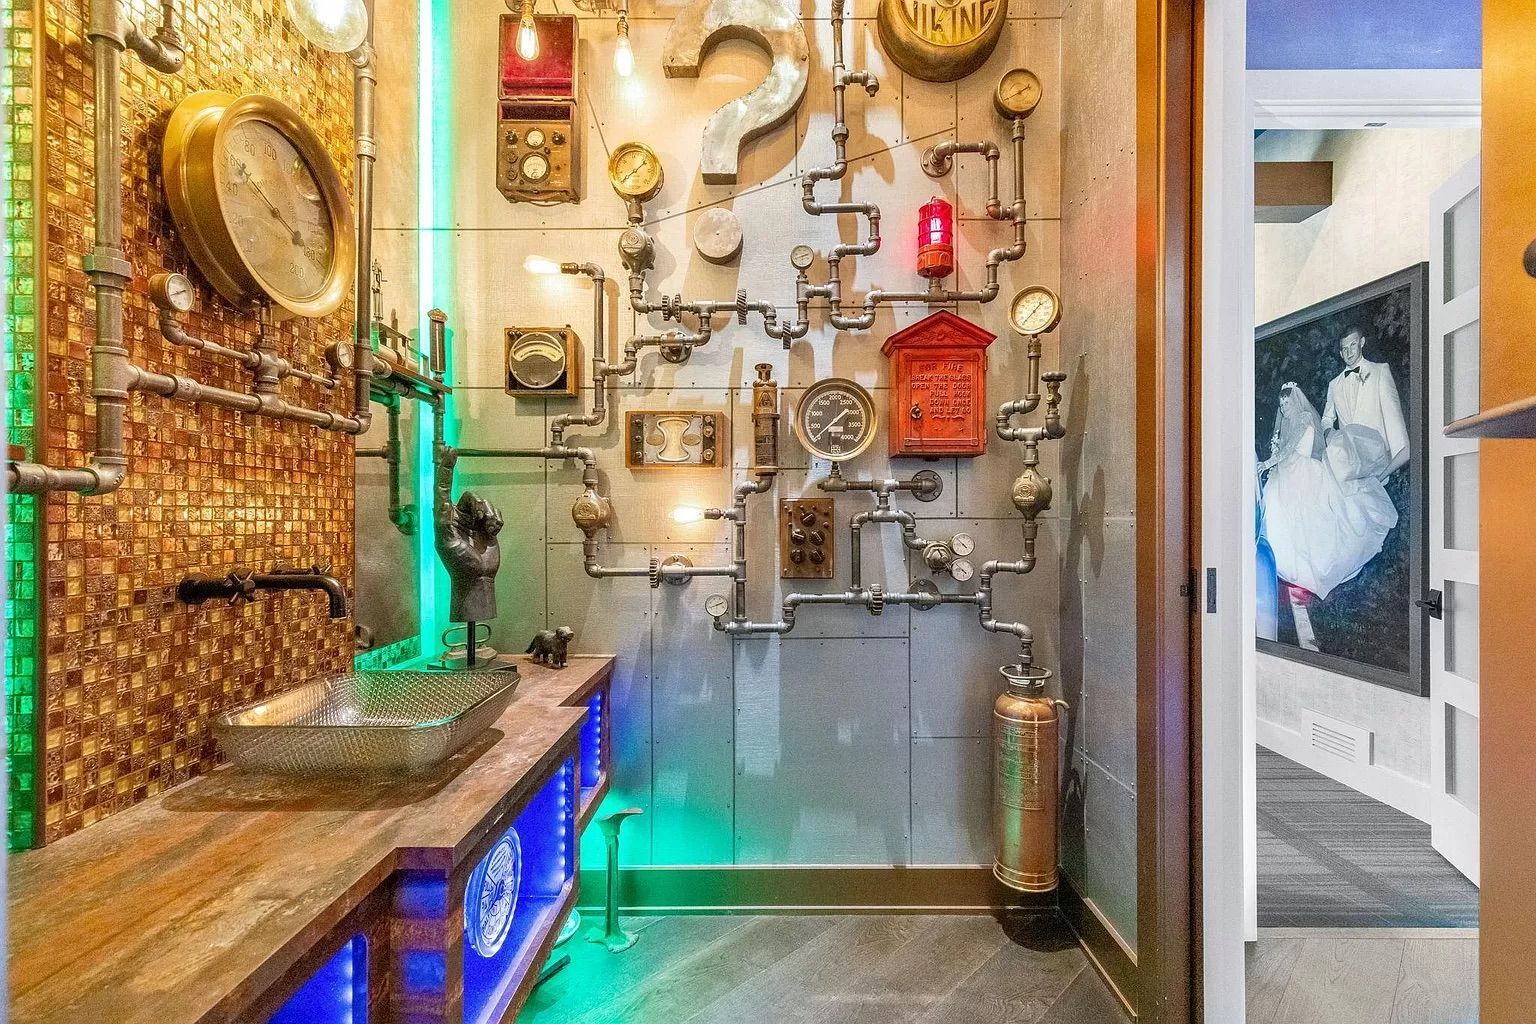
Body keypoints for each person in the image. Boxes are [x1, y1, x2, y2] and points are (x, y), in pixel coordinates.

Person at [1259, 382, 1398, 651]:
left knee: (1310, 517)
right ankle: (1285, 562)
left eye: (1286, 402)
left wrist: (1270, 462)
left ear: (1295, 401)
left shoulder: (1304, 421)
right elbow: (1282, 451)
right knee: (1278, 506)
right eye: (1281, 404)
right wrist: (1274, 459)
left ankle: (1308, 566)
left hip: (1301, 472)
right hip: (1287, 471)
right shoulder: (1287, 423)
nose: (1283, 408)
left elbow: (1292, 452)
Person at [1320, 327, 1409, 482]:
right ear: (1340, 353)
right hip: (1348, 468)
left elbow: (1394, 419)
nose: (1348, 352)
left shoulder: (1380, 371)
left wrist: (1388, 469)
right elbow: (1326, 419)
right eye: (1344, 349)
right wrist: (1330, 434)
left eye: (1352, 345)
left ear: (1362, 342)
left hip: (1377, 465)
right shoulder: (1334, 384)